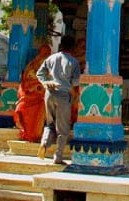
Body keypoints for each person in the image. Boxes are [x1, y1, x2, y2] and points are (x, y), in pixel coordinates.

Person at [36, 35, 81, 165]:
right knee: (63, 128)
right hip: (63, 95)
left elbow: (40, 74)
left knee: (49, 123)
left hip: (49, 93)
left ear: (61, 45)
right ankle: (58, 156)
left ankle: (44, 142)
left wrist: (46, 82)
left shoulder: (51, 58)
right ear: (73, 47)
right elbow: (75, 83)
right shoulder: (74, 62)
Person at [14, 44, 52, 142]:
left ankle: (29, 134)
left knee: (28, 118)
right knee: (36, 117)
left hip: (26, 96)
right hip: (38, 97)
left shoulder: (31, 65)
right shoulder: (46, 64)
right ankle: (35, 136)